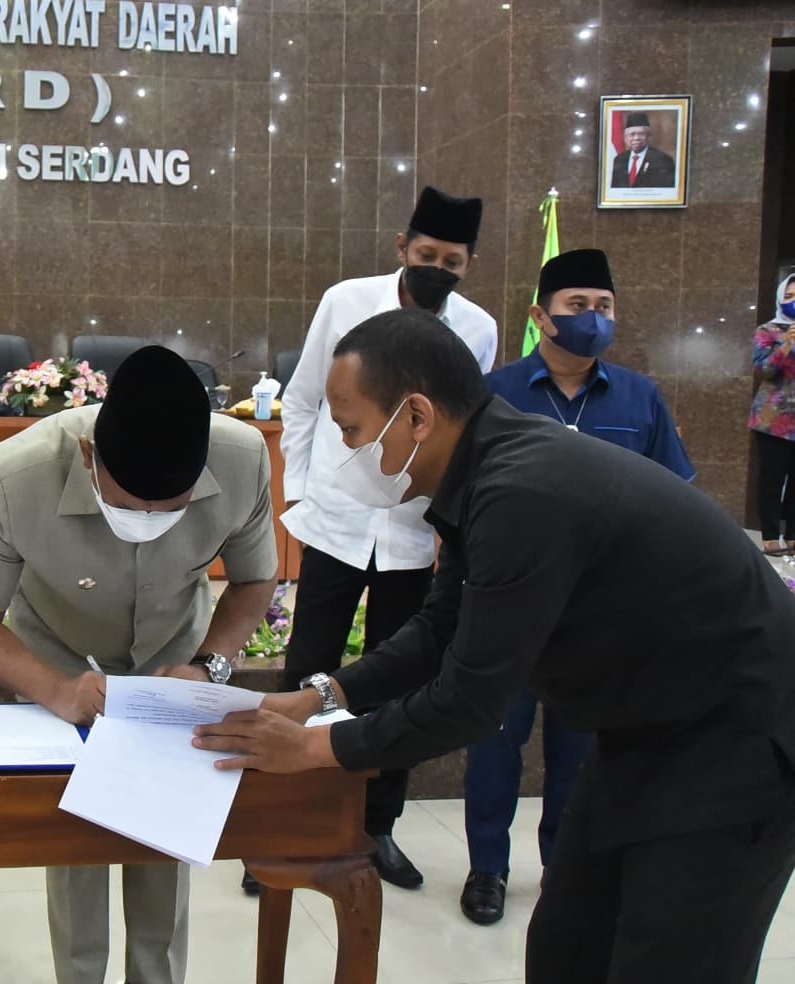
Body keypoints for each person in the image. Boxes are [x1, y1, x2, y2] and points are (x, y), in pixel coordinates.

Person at [195, 309, 795, 984]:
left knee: (670, 962)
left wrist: (312, 750)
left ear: (416, 416)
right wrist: (318, 696)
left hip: (736, 741)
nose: (347, 451)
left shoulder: (522, 491)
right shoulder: (483, 470)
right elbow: (441, 626)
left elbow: (469, 702)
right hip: (644, 733)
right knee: (567, 947)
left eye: (352, 430)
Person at [0, 345, 278, 984]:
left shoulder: (242, 458)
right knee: (76, 847)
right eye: (130, 504)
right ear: (88, 456)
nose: (149, 519)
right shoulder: (18, 475)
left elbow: (255, 580)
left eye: (171, 506)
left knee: (164, 841)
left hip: (174, 663)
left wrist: (208, 666)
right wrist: (57, 690)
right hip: (58, 659)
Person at [458, 248, 695, 926]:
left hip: (600, 613)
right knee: (494, 745)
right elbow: (459, 496)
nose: (593, 318)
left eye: (604, 307)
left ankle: (564, 869)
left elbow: (672, 500)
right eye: (578, 306)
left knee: (580, 752)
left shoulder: (639, 398)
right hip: (510, 607)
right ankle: (487, 869)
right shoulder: (494, 393)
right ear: (541, 316)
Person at [273, 185, 497, 891]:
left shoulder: (479, 329)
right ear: (403, 247)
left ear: (469, 264)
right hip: (335, 519)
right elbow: (302, 400)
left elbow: (464, 431)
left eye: (452, 262)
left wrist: (448, 522)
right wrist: (302, 491)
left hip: (411, 527)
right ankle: (285, 816)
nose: (437, 269)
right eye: (427, 255)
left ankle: (379, 827)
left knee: (399, 679)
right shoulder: (346, 300)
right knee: (308, 665)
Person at [748, 272, 795, 556]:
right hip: (773, 421)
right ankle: (769, 535)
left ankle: (793, 535)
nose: (793, 301)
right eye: (788, 296)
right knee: (772, 478)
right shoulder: (767, 330)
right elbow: (762, 370)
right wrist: (787, 345)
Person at [610, 112, 676, 188]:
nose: (636, 138)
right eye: (632, 134)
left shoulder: (663, 160)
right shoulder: (619, 159)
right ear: (625, 138)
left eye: (641, 134)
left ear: (648, 137)